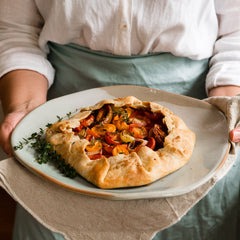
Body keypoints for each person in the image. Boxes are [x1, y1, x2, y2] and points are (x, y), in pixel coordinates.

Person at [0, 0, 240, 239]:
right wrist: (24, 108)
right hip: (61, 106)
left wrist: (227, 109)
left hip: (199, 111)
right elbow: (17, 31)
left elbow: (236, 32)